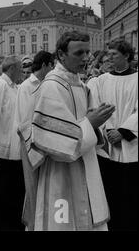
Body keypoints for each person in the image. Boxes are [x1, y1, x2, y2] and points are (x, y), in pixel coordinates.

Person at [27, 31, 114, 230]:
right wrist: (90, 123)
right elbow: (51, 140)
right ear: (61, 54)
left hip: (86, 164)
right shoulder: (52, 86)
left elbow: (88, 123)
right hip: (62, 171)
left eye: (87, 52)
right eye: (79, 53)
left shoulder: (81, 85)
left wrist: (97, 121)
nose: (86, 58)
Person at [88, 39, 137, 231]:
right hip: (108, 144)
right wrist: (108, 130)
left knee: (131, 195)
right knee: (111, 194)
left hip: (131, 146)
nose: (109, 58)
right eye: (108, 54)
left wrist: (123, 132)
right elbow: (96, 107)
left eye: (114, 54)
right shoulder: (101, 81)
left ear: (126, 56)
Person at [14, 51, 54, 230]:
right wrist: (33, 141)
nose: (53, 69)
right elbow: (23, 119)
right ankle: (32, 224)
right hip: (30, 142)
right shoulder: (26, 86)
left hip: (47, 143)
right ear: (45, 65)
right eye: (51, 65)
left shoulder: (50, 84)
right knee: (32, 186)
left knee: (47, 185)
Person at [0, 55, 24, 230]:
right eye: (21, 69)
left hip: (14, 151)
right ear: (12, 69)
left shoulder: (14, 87)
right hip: (1, 151)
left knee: (13, 194)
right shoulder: (0, 86)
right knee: (4, 195)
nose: (22, 72)